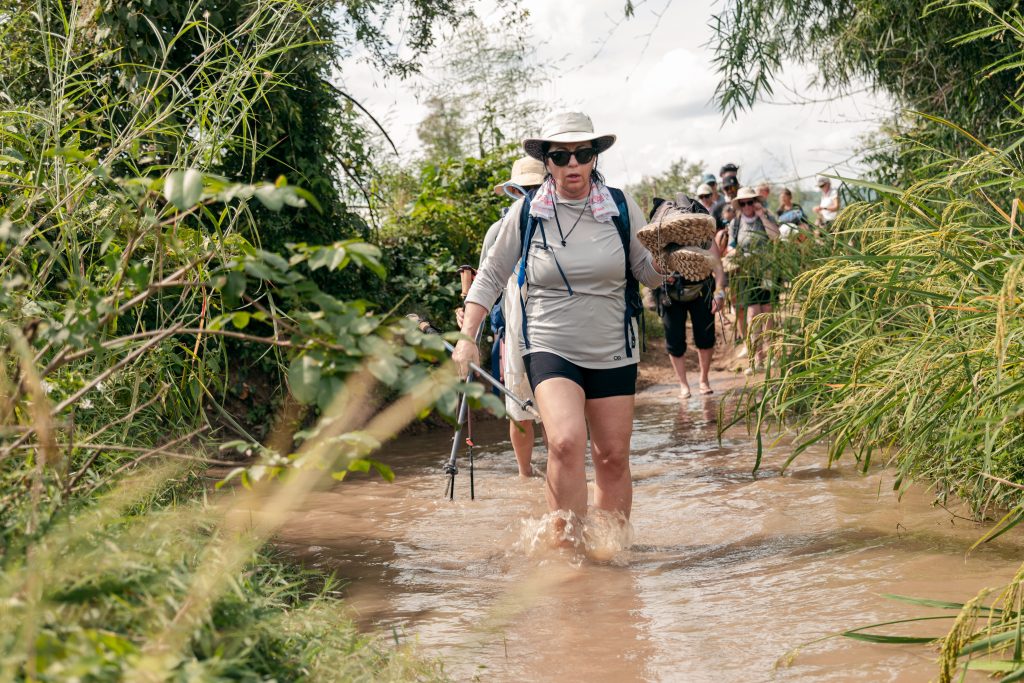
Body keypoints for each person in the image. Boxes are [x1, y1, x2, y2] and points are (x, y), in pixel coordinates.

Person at [452, 111, 666, 529]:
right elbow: (491, 276)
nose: (573, 165)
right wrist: (467, 337)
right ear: (547, 161)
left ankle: (612, 550)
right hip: (549, 344)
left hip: (613, 346)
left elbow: (646, 271)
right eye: (561, 156)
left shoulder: (621, 206)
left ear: (594, 158)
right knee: (566, 442)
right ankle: (567, 547)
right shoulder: (528, 212)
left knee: (612, 454)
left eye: (582, 154)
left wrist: (671, 262)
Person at [480, 156, 545, 477]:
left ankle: (567, 467)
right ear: (513, 192)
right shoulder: (498, 230)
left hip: (560, 327)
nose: (529, 196)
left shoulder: (564, 223)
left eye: (536, 187)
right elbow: (486, 280)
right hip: (516, 327)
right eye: (523, 190)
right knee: (519, 406)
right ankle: (525, 473)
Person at [652, 198, 727, 398]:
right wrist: (661, 278)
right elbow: (650, 270)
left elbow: (719, 269)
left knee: (705, 337)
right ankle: (683, 384)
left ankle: (703, 379)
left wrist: (720, 293)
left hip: (701, 288)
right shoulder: (662, 239)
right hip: (671, 292)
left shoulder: (705, 237)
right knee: (674, 340)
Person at [726, 186, 780, 372]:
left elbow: (775, 236)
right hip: (746, 271)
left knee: (767, 312)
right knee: (752, 314)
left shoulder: (766, 218)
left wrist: (762, 215)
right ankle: (758, 358)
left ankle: (771, 353)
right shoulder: (736, 223)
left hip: (766, 270)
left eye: (750, 202)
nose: (747, 205)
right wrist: (735, 254)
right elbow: (731, 245)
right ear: (739, 204)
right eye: (744, 203)